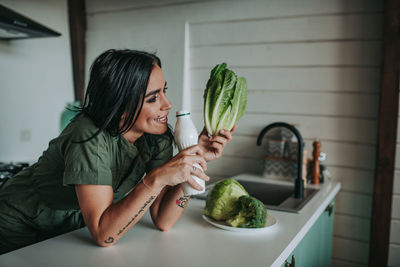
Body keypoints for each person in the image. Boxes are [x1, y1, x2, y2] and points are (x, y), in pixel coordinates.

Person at [0, 49, 236, 254]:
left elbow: (164, 220)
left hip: (69, 231)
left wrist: (196, 157)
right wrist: (155, 180)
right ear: (120, 102)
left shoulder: (156, 137)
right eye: (153, 98)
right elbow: (104, 235)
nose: (167, 104)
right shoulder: (88, 135)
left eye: (164, 91)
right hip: (18, 222)